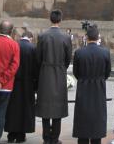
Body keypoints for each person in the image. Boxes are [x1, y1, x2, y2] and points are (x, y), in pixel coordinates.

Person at [36, 9, 72, 144]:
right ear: (60, 20)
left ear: (50, 19)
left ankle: (46, 138)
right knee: (58, 107)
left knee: (45, 108)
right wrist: (61, 67)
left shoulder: (43, 36)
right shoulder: (66, 37)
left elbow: (38, 57)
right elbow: (68, 58)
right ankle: (55, 138)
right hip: (59, 73)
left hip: (45, 73)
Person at [72, 24, 111, 144]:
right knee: (97, 117)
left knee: (83, 116)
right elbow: (107, 73)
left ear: (86, 37)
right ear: (98, 37)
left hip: (83, 87)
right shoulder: (105, 52)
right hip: (98, 88)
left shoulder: (79, 52)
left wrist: (84, 79)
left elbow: (76, 72)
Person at [0, 21, 20, 144]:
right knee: (0, 112)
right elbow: (14, 66)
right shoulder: (14, 44)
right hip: (5, 86)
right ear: (11, 31)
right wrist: (2, 81)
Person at [5, 31, 38, 143]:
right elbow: (35, 68)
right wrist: (36, 84)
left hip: (13, 81)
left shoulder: (14, 45)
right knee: (25, 108)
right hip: (28, 83)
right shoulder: (33, 48)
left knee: (12, 108)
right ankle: (21, 135)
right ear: (31, 38)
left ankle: (11, 134)